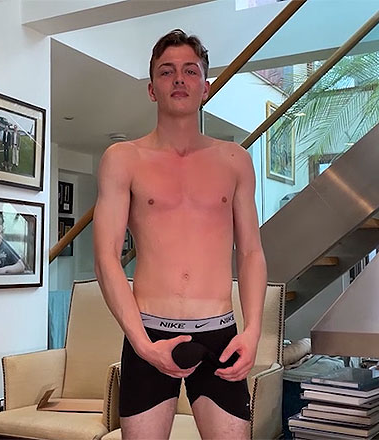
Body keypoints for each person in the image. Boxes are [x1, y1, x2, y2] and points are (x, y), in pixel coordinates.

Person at [93, 29, 267, 440]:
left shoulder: (235, 160)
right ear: (151, 88)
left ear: (205, 87)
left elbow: (251, 253)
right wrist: (141, 343)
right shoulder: (123, 159)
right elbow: (105, 257)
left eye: (190, 71)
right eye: (166, 71)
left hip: (220, 335)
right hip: (149, 333)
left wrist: (253, 330)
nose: (178, 79)